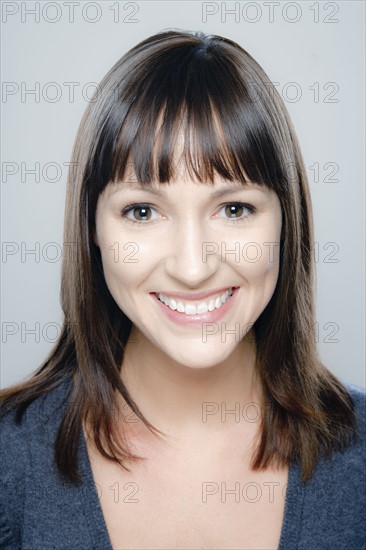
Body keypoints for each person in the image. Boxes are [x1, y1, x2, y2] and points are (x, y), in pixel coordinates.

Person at [0, 29, 365, 550]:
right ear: (93, 233)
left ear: (287, 223)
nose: (193, 268)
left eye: (235, 209)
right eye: (142, 211)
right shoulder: (8, 463)